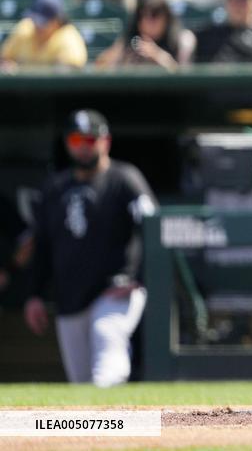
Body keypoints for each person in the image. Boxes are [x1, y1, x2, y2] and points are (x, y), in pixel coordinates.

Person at [23, 110, 155, 386]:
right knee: (81, 382)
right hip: (70, 297)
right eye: (75, 139)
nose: (83, 146)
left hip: (115, 289)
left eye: (89, 139)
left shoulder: (124, 179)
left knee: (106, 339)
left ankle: (112, 417)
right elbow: (43, 245)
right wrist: (34, 294)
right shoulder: (55, 188)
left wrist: (142, 278)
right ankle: (95, 427)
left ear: (105, 141)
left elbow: (154, 227)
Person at [95, 0, 195, 71]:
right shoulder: (128, 41)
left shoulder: (184, 40)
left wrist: (158, 56)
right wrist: (120, 60)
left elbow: (184, 78)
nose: (146, 23)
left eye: (154, 16)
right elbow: (100, 66)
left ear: (166, 18)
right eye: (142, 16)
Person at [0, 0, 87, 68]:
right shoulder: (25, 27)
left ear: (57, 21)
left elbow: (71, 74)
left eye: (42, 22)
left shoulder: (69, 39)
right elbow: (4, 59)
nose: (37, 26)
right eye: (35, 20)